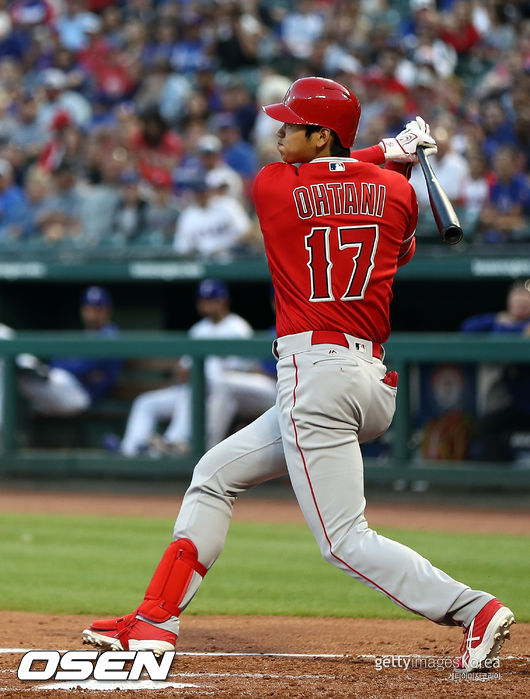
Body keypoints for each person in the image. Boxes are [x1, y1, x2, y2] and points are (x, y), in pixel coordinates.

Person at [82, 77, 514, 672]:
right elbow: (390, 235)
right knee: (214, 475)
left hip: (316, 378)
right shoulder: (398, 194)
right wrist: (395, 161)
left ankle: (475, 610)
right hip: (364, 380)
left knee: (344, 541)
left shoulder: (273, 185)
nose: (280, 132)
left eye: (292, 125)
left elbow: (332, 184)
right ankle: (156, 620)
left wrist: (385, 151)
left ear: (323, 136)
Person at [120, 279, 277, 456]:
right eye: (204, 300)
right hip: (192, 391)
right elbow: (183, 370)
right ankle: (130, 450)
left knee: (205, 379)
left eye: (212, 300)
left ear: (224, 301)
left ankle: (174, 443)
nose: (208, 305)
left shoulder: (237, 327)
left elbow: (244, 370)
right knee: (146, 402)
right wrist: (187, 375)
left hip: (217, 392)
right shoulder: (198, 329)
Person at [18, 286, 122, 416]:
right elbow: (58, 360)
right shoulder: (87, 335)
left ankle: (31, 368)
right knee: (16, 376)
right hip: (64, 385)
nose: (92, 314)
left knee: (22, 376)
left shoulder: (110, 335)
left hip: (82, 394)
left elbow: (85, 365)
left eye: (97, 309)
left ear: (107, 311)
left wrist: (67, 363)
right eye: (88, 308)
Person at [461, 279, 530, 461]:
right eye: (517, 301)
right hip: (520, 405)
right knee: (488, 426)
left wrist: (512, 329)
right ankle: (499, 473)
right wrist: (499, 320)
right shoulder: (502, 321)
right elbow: (467, 328)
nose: (521, 307)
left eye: (525, 302)